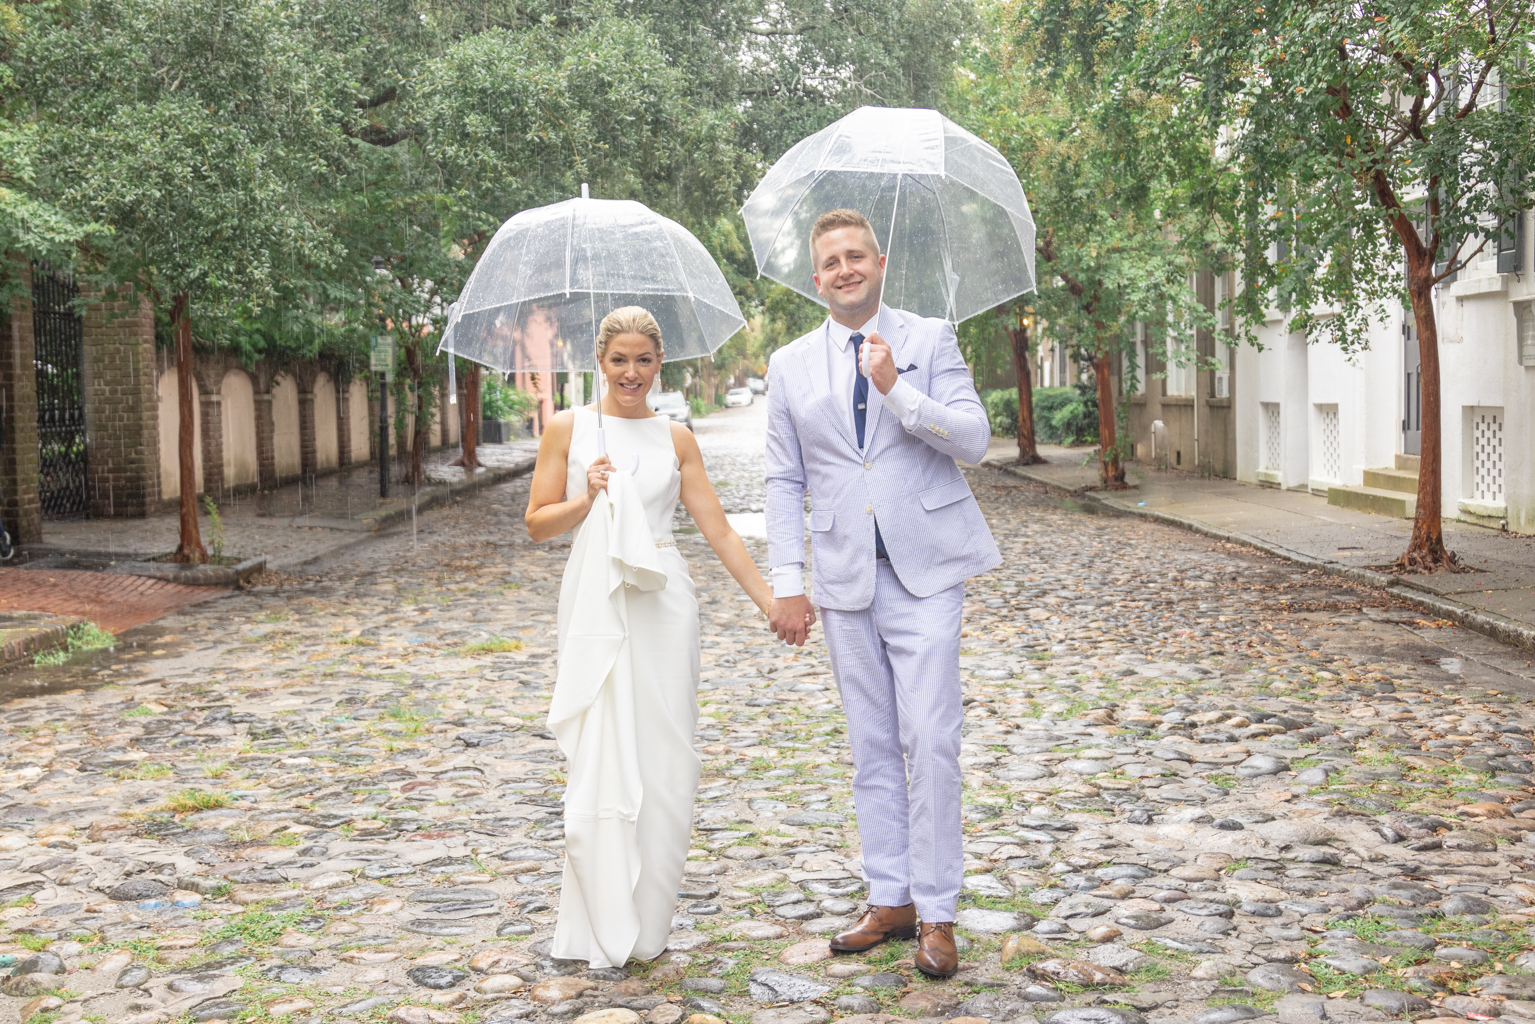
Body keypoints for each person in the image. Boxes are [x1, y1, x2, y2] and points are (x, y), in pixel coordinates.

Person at [763, 209, 1001, 978]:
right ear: (816, 278)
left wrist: (897, 388)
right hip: (843, 578)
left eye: (855, 256)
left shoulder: (929, 339)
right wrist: (787, 583)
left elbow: (973, 440)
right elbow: (784, 479)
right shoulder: (789, 364)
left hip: (925, 571)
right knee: (870, 745)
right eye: (831, 261)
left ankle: (937, 911)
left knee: (929, 739)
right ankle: (889, 898)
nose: (844, 269)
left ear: (880, 262)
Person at [525, 306, 773, 969]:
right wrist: (586, 497)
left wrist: (769, 601)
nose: (630, 373)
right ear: (600, 362)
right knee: (601, 757)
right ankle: (599, 916)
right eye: (618, 360)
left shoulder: (677, 438)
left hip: (664, 602)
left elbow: (719, 530)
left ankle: (650, 921)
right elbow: (538, 523)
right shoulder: (568, 427)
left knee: (666, 759)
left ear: (659, 363)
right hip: (597, 602)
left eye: (643, 360)